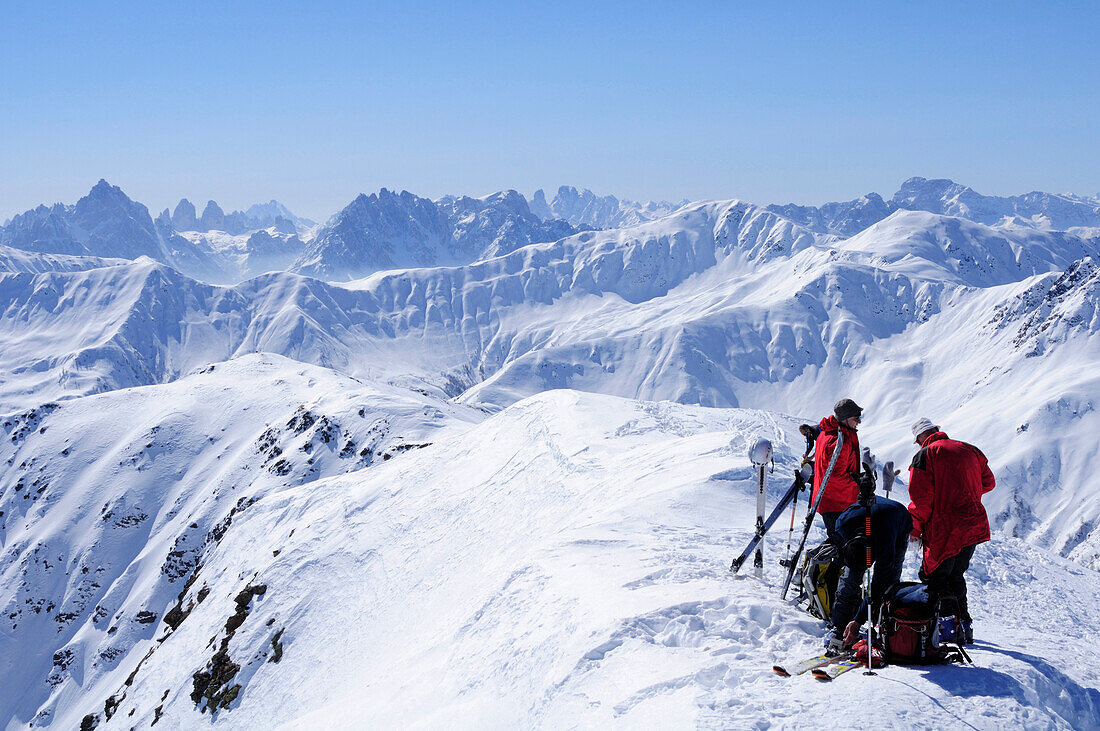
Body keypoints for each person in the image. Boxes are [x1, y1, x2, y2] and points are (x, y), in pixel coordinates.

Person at [908, 417, 996, 645]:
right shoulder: (969, 449)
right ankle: (964, 625)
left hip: (945, 527)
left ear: (920, 438)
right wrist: (966, 490)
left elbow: (922, 501)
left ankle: (948, 627)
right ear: (937, 430)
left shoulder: (925, 456)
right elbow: (988, 482)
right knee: (956, 574)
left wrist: (914, 529)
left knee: (935, 577)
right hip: (973, 523)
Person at [823, 495, 912, 653]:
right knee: (849, 579)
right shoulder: (842, 526)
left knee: (889, 583)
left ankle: (885, 625)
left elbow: (878, 585)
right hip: (865, 522)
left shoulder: (886, 548)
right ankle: (839, 627)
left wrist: (858, 621)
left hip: (898, 520)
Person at [811, 398, 863, 542]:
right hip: (837, 502)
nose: (859, 422)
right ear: (845, 418)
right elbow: (836, 476)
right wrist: (859, 483)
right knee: (843, 547)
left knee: (838, 543)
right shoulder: (840, 441)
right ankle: (820, 564)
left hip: (829, 500)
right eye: (856, 418)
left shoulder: (827, 432)